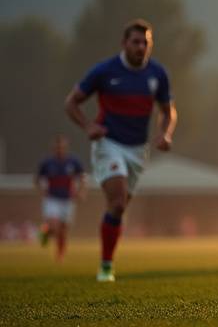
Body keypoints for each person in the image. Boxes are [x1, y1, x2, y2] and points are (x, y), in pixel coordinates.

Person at [64, 19, 176, 282]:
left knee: (119, 207)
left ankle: (106, 260)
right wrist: (88, 125)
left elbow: (167, 111)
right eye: (136, 42)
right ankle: (106, 267)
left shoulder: (157, 74)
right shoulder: (104, 71)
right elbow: (71, 103)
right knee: (116, 201)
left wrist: (165, 133)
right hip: (108, 144)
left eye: (146, 43)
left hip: (138, 150)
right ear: (124, 43)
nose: (141, 47)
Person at [35, 135, 86, 262]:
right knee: (54, 225)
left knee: (63, 230)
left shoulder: (73, 162)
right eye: (57, 147)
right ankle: (45, 232)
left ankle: (60, 254)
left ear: (66, 148)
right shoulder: (47, 163)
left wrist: (81, 191)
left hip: (68, 200)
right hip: (52, 199)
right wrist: (42, 190)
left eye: (62, 147)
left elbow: (82, 178)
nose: (60, 149)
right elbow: (37, 179)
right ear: (54, 148)